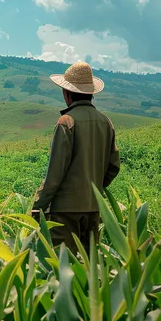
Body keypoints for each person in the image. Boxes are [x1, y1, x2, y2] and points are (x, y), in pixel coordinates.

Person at [32, 61, 120, 256]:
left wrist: (38, 207)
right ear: (91, 93)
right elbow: (113, 166)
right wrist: (94, 188)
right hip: (93, 209)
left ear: (67, 94)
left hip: (65, 211)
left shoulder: (66, 122)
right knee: (89, 268)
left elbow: (55, 174)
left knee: (64, 267)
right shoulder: (105, 122)